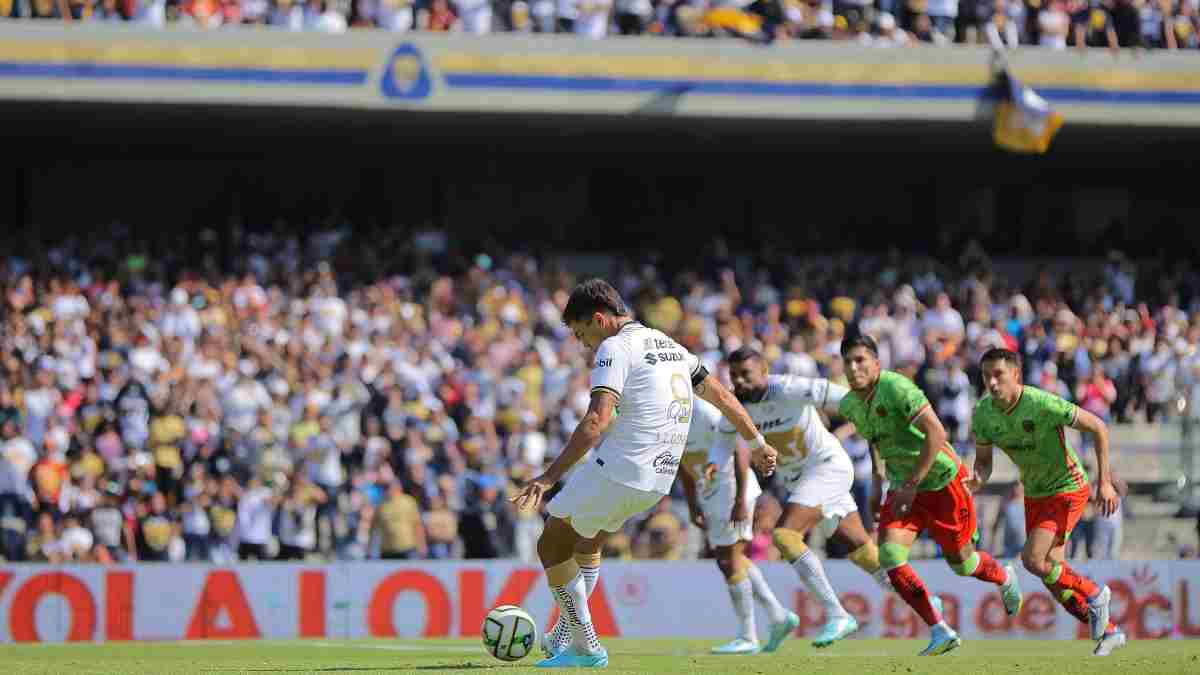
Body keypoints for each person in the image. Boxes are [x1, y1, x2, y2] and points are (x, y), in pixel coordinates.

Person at [511, 279, 778, 669]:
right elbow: (722, 395)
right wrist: (757, 443)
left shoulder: (613, 348)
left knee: (551, 544)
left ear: (599, 320)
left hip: (622, 466)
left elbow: (596, 421)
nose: (584, 343)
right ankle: (567, 634)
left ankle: (585, 643)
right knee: (587, 543)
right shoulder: (671, 346)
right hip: (658, 480)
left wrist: (548, 478)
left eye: (582, 333)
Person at [838, 335, 1021, 657]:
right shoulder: (850, 404)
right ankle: (940, 629)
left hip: (942, 482)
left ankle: (1005, 577)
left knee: (964, 565)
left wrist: (911, 484)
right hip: (901, 484)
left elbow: (938, 432)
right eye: (848, 362)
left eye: (860, 360)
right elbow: (875, 440)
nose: (854, 369)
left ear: (876, 364)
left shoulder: (897, 388)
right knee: (890, 557)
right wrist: (879, 482)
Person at [714, 346, 894, 649]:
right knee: (863, 551)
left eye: (746, 374)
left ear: (765, 372)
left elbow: (844, 398)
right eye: (734, 376)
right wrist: (713, 465)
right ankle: (926, 603)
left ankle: (837, 614)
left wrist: (881, 414)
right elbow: (721, 445)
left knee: (785, 537)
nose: (740, 382)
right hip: (802, 483)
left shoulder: (788, 388)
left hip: (827, 468)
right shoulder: (736, 406)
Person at [969, 348, 1126, 656]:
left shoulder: (1041, 403)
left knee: (1032, 560)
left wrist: (1104, 483)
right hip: (1035, 493)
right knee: (1053, 579)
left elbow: (1098, 426)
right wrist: (977, 477)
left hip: (1067, 486)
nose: (992, 382)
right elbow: (984, 462)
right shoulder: (983, 412)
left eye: (998, 374)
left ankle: (1095, 593)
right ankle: (1109, 631)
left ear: (1015, 374)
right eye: (986, 375)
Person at [676, 397, 796, 655]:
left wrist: (740, 499)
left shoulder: (705, 413)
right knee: (730, 559)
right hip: (709, 495)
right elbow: (682, 466)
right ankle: (778, 616)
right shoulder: (667, 414)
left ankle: (748, 636)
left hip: (731, 492)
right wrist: (692, 503)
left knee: (729, 561)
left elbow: (739, 450)